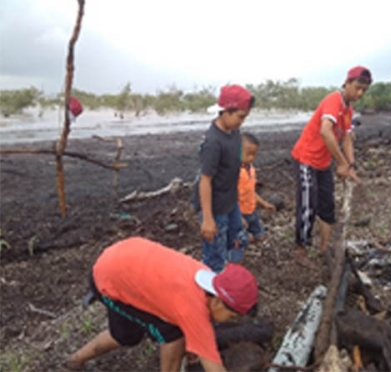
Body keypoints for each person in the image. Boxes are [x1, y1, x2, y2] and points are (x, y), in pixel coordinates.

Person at [65, 237, 259, 372]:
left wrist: (196, 346)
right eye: (232, 316)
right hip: (109, 280)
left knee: (126, 336)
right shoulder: (193, 308)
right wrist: (201, 348)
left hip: (125, 257)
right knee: (172, 336)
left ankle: (75, 360)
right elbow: (213, 366)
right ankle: (75, 360)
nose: (230, 320)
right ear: (217, 300)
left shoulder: (206, 278)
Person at [291, 66, 372, 267]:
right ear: (347, 83)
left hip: (323, 162)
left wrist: (350, 165)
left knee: (327, 206)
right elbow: (325, 131)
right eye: (357, 87)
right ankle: (301, 252)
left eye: (364, 90)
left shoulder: (348, 109)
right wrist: (342, 163)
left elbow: (347, 139)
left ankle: (325, 250)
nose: (359, 93)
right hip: (306, 159)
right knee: (308, 205)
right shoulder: (333, 100)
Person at [192, 85, 255, 272]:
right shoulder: (213, 142)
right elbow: (205, 180)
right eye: (240, 117)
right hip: (213, 206)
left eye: (245, 117)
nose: (241, 122)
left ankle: (234, 278)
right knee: (215, 254)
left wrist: (237, 209)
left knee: (238, 241)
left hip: (230, 201)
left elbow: (232, 173)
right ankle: (213, 293)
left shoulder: (234, 133)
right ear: (226, 111)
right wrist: (208, 219)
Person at [238, 132, 276, 243]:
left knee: (260, 236)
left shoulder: (250, 169)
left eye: (254, 154)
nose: (252, 158)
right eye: (249, 154)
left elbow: (251, 191)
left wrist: (264, 203)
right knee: (242, 238)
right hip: (239, 212)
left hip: (251, 210)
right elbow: (230, 196)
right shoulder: (235, 172)